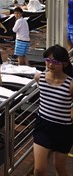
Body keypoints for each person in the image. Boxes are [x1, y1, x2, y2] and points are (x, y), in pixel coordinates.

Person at [32, 45, 73, 176]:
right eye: (48, 60)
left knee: (59, 167)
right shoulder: (39, 77)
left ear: (65, 64)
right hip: (43, 125)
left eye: (55, 62)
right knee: (39, 169)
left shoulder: (70, 84)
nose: (50, 64)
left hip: (63, 129)